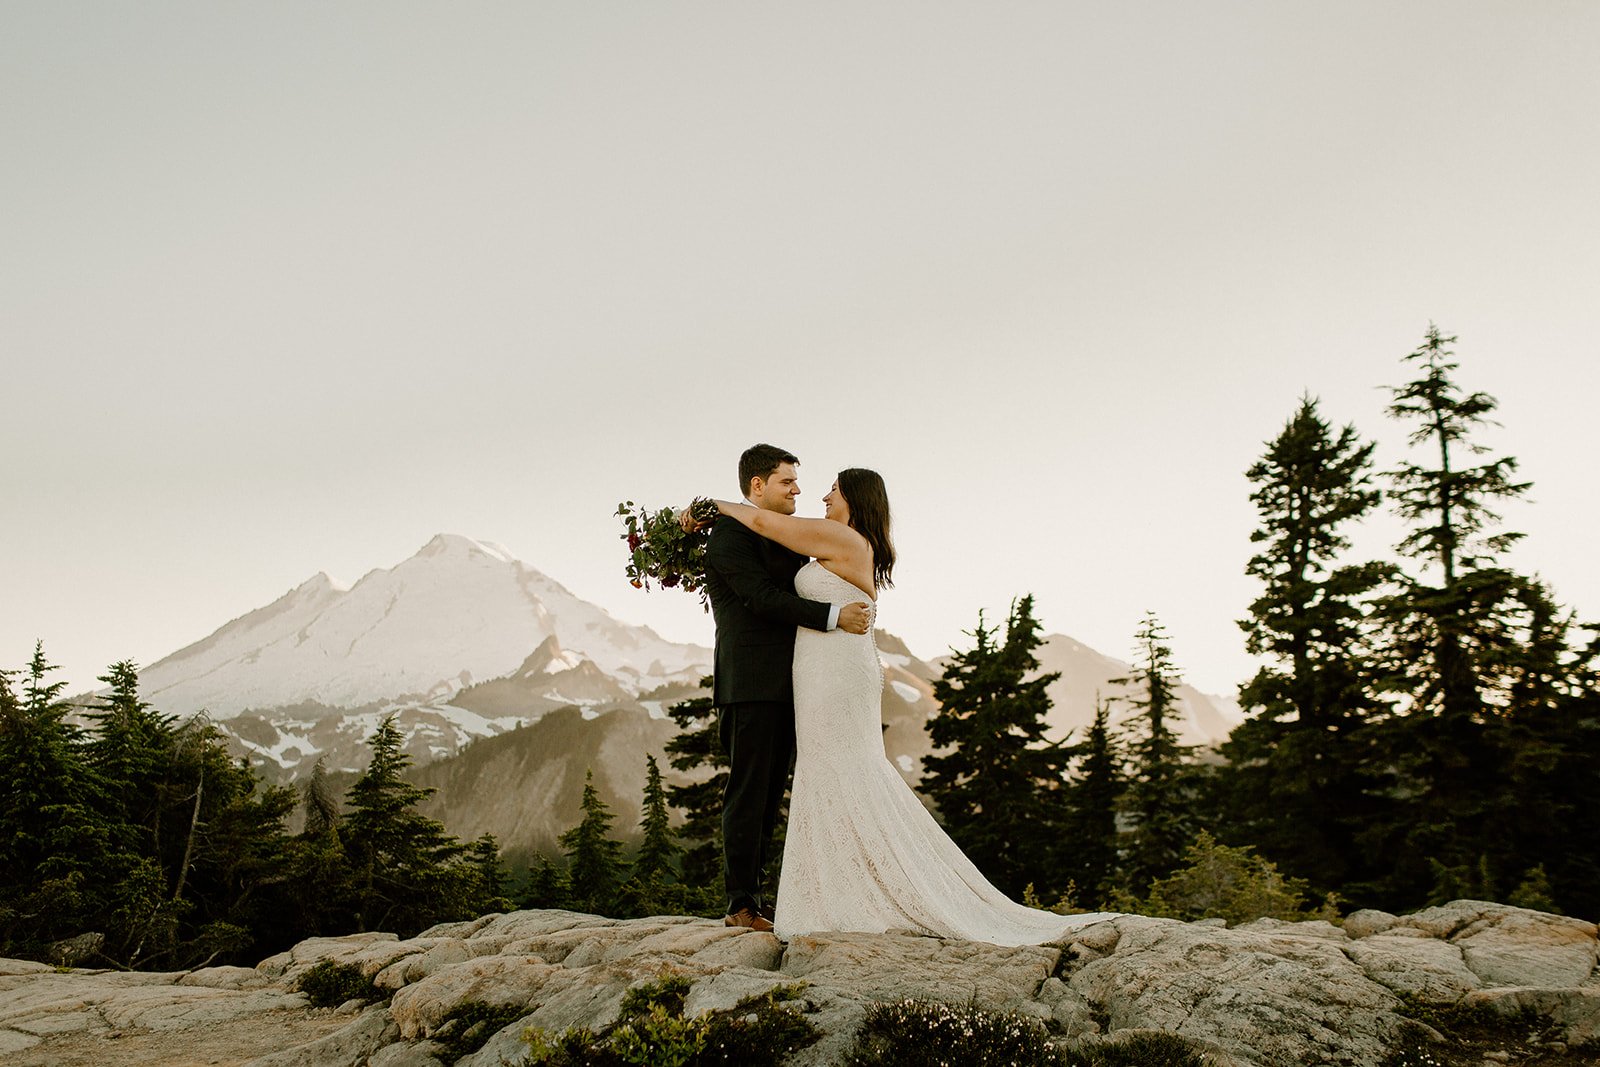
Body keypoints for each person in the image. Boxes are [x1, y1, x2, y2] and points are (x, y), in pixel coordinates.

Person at [701, 467, 1119, 945]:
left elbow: (761, 525)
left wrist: (710, 507)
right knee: (828, 770)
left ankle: (851, 894)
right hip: (823, 670)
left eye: (833, 490)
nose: (821, 495)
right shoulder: (840, 541)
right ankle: (836, 893)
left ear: (855, 499)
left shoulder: (842, 538)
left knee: (842, 768)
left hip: (835, 673)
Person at [701, 444, 872, 932]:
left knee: (772, 795)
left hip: (796, 683)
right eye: (787, 481)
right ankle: (740, 904)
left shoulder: (787, 537)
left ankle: (762, 900)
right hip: (751, 682)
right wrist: (833, 616)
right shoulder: (728, 536)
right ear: (757, 486)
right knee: (749, 792)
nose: (798, 489)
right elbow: (759, 598)